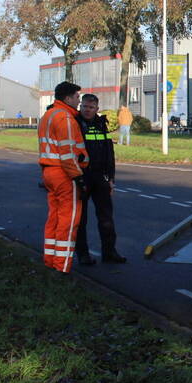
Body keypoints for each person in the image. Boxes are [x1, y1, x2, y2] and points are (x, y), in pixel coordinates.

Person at [38, 81, 89, 273]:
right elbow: (68, 153)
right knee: (69, 221)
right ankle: (62, 267)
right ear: (67, 98)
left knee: (54, 218)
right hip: (64, 174)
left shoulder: (48, 115)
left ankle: (50, 261)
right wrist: (79, 178)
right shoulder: (65, 118)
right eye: (77, 97)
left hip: (49, 172)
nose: (79, 101)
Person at [74, 94, 126, 264]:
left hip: (100, 177)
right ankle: (83, 255)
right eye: (84, 107)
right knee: (81, 219)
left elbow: (109, 153)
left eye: (91, 107)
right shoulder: (75, 124)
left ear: (97, 109)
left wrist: (111, 178)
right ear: (80, 107)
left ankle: (109, 252)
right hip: (81, 177)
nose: (87, 110)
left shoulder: (101, 124)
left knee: (106, 218)